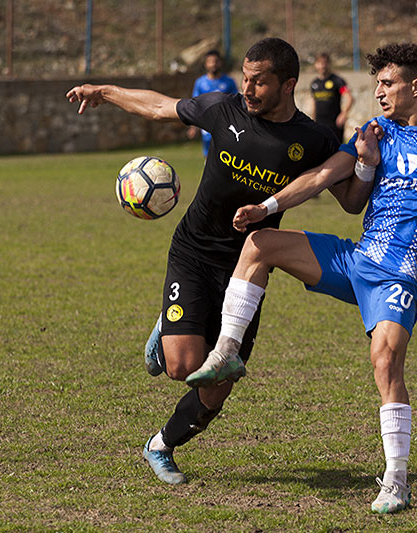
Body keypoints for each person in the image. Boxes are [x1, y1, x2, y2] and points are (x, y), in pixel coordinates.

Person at [186, 43, 417, 514]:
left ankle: (396, 481)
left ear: (416, 87)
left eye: (388, 83)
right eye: (376, 83)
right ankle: (225, 353)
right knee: (260, 243)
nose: (378, 91)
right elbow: (322, 177)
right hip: (356, 261)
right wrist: (269, 207)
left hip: (399, 278)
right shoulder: (374, 132)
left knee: (385, 362)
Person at [66, 38, 347, 486]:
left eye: (260, 81)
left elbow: (349, 197)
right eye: (245, 78)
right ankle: (167, 330)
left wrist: (366, 158)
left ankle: (161, 445)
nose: (248, 88)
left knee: (217, 384)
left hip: (247, 271)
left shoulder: (314, 139)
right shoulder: (224, 109)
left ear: (288, 84)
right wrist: (105, 91)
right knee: (181, 366)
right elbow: (160, 106)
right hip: (194, 252)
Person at [187, 49, 239, 157]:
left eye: (216, 61)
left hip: (225, 122)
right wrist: (193, 127)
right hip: (207, 123)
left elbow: (236, 102)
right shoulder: (200, 83)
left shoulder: (229, 82)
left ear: (220, 63)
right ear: (206, 64)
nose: (213, 64)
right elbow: (195, 105)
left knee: (226, 153)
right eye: (210, 61)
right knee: (209, 154)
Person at [310, 52, 353, 142]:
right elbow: (313, 102)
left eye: (324, 63)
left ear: (328, 64)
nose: (322, 66)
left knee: (336, 149)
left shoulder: (337, 81)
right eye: (319, 63)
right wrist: (312, 120)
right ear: (316, 65)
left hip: (334, 124)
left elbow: (349, 97)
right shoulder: (314, 84)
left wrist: (343, 114)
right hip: (319, 123)